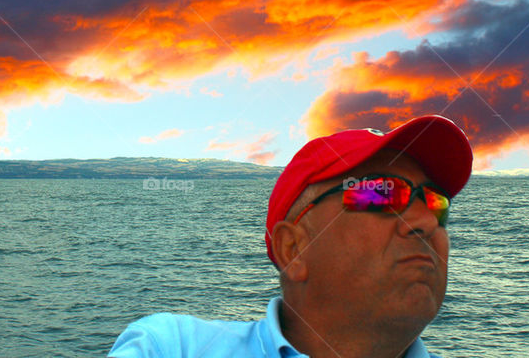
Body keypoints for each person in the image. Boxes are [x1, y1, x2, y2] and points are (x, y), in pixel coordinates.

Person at [108, 114, 473, 358]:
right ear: (293, 248)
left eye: (436, 203)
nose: (426, 221)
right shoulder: (173, 348)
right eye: (380, 193)